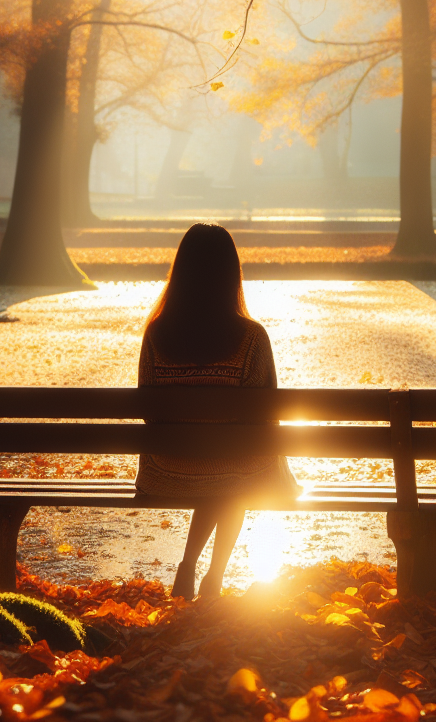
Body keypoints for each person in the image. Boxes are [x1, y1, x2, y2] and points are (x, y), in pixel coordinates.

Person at [136, 222, 299, 599]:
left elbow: (147, 408)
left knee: (224, 470)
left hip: (167, 470)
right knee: (235, 471)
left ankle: (188, 566)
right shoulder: (252, 337)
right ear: (231, 274)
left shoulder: (157, 334)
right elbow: (266, 416)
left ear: (181, 273)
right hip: (236, 467)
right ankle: (213, 576)